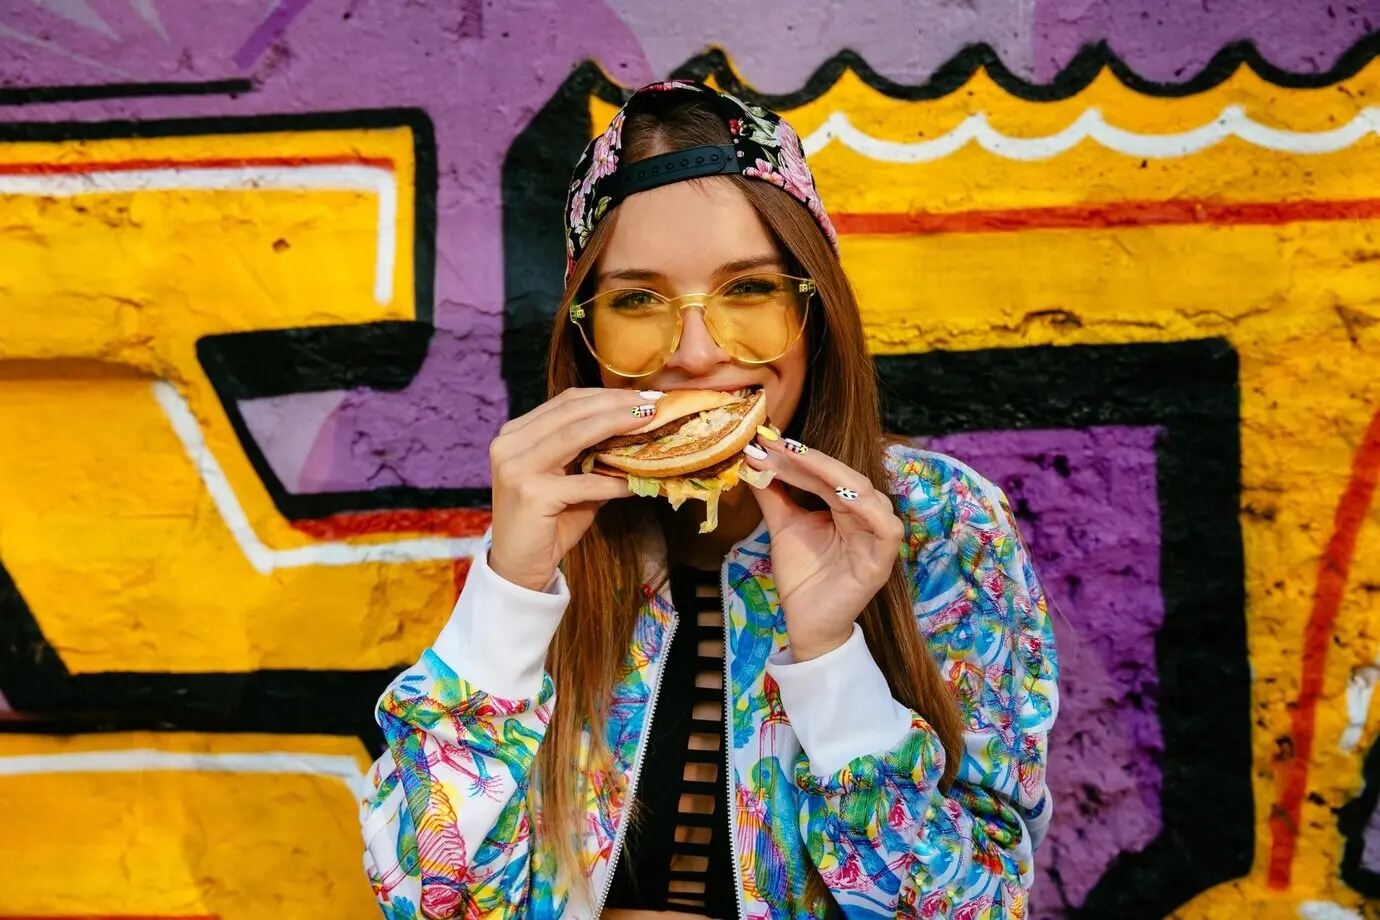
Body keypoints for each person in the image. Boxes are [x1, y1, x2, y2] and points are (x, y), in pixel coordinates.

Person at [359, 81, 1059, 920]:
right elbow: (432, 899)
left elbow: (974, 911)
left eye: (751, 290)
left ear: (817, 310)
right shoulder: (551, 539)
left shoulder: (939, 529)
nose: (695, 354)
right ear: (586, 336)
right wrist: (507, 595)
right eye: (637, 301)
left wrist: (832, 656)